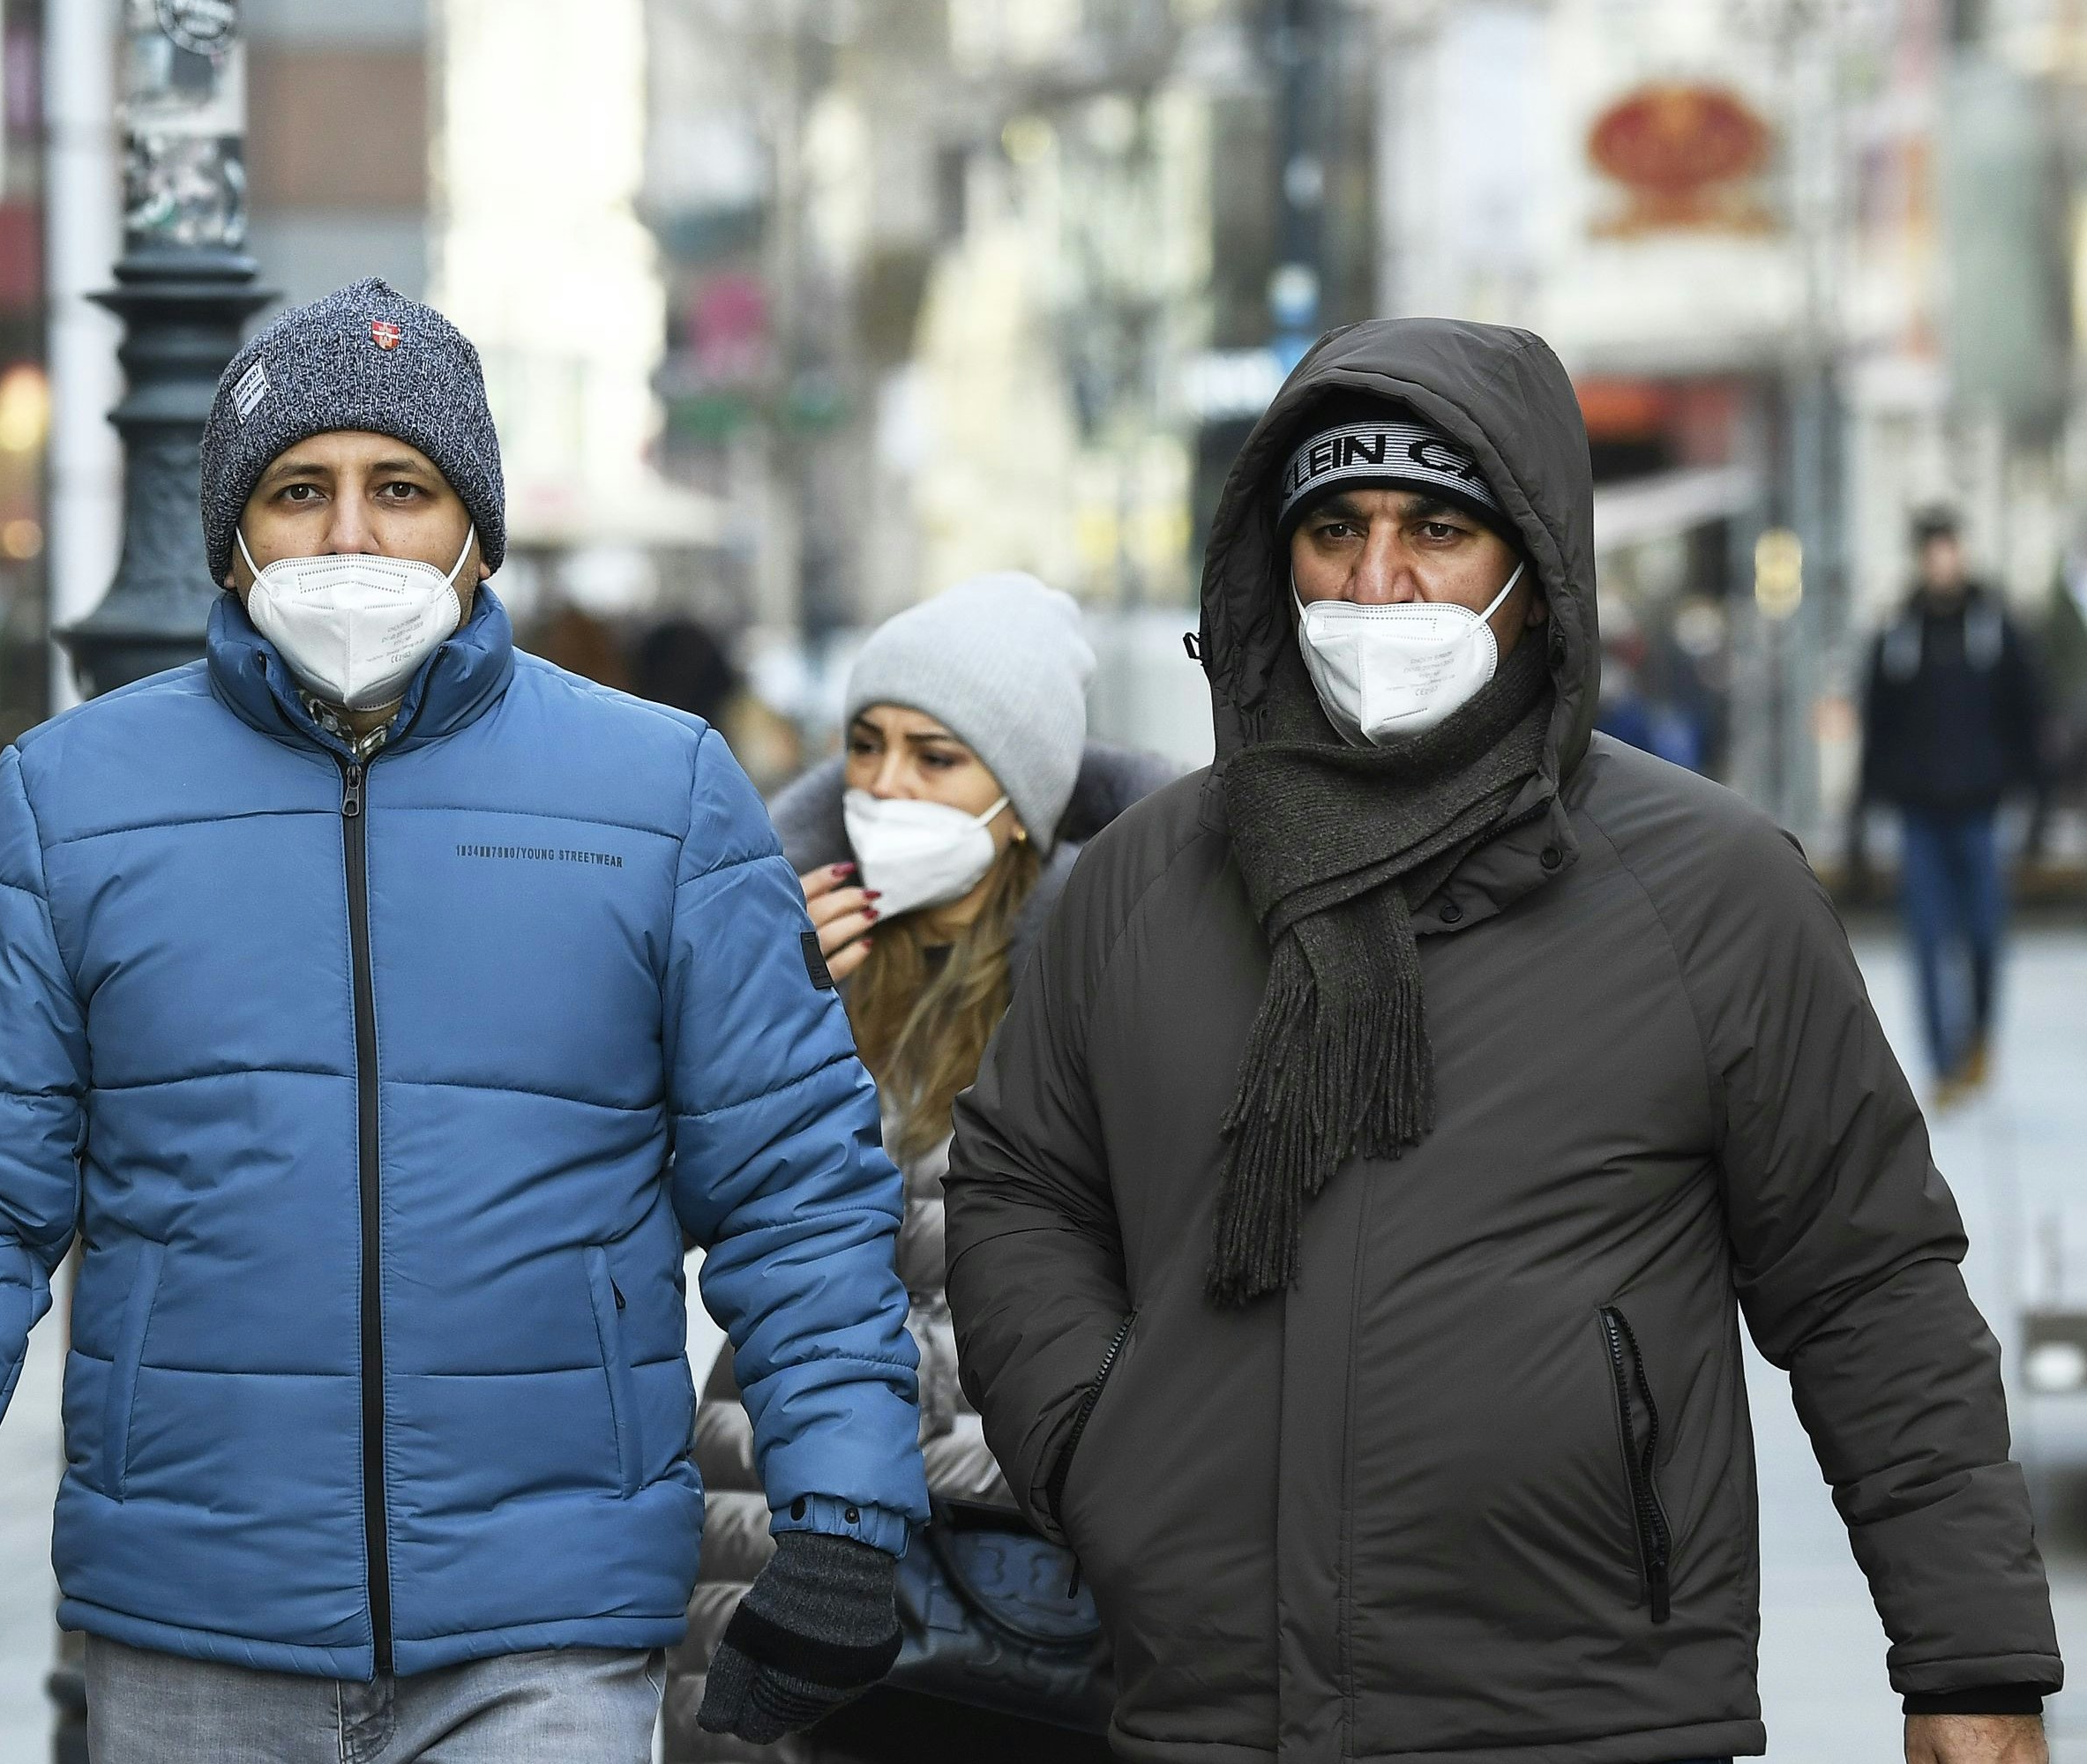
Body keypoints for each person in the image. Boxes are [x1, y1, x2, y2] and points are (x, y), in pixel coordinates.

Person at [0, 280, 925, 1763]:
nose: (347, 540)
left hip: (550, 1629)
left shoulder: (659, 792)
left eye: (401, 488)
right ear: (232, 532)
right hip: (193, 1625)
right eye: (295, 491)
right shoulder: (74, 800)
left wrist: (841, 1524)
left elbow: (796, 1188)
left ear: (474, 524)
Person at [946, 316, 2059, 1762]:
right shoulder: (1144, 887)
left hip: (1587, 1711)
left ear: (1536, 575)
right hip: (1216, 1711)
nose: (1377, 580)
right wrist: (1102, 1447)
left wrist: (1968, 1664)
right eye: (1333, 526)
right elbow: (1022, 1179)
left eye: (1439, 529)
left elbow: (1867, 1284)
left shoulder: (1705, 890)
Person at [669, 573, 1164, 1764]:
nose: (884, 789)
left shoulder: (1105, 989)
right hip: (762, 1527)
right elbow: (671, 1206)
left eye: (937, 758)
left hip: (991, 1587)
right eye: (867, 746)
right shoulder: (801, 941)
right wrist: (759, 1009)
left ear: (1023, 800)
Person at [1859, 506, 2045, 1102]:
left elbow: (2028, 717)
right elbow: (1877, 728)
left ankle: (1979, 1037)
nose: (1943, 560)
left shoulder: (1995, 628)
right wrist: (1862, 816)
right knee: (1929, 941)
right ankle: (1943, 1065)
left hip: (1980, 811)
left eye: (1950, 548)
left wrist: (2034, 802)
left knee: (1986, 937)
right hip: (1919, 814)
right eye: (1932, 549)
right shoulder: (1898, 634)